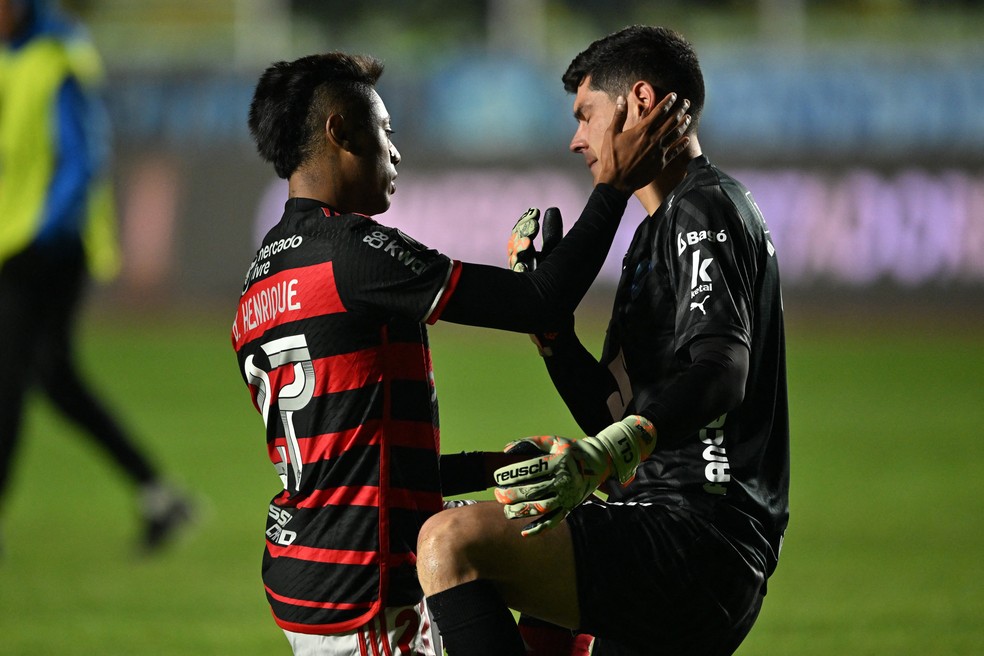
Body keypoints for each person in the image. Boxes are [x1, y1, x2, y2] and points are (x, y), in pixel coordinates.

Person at [233, 51, 690, 654]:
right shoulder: (351, 251)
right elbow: (537, 302)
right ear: (339, 129)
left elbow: (351, 463)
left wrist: (490, 469)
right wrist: (614, 186)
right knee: (573, 581)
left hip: (312, 569)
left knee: (549, 571)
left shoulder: (259, 283)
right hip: (368, 592)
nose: (395, 153)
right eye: (385, 131)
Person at [416, 25, 789, 656]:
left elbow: (724, 367)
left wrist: (602, 454)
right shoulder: (655, 231)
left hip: (700, 534)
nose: (576, 139)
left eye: (586, 115)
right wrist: (553, 337)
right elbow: (616, 414)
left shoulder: (705, 207)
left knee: (450, 543)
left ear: (638, 101)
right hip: (664, 525)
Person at [0, 0, 193, 554]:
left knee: (11, 378)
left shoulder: (60, 57)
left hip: (47, 248)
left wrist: (40, 233)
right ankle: (158, 492)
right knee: (53, 378)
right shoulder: (19, 56)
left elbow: (83, 160)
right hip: (17, 242)